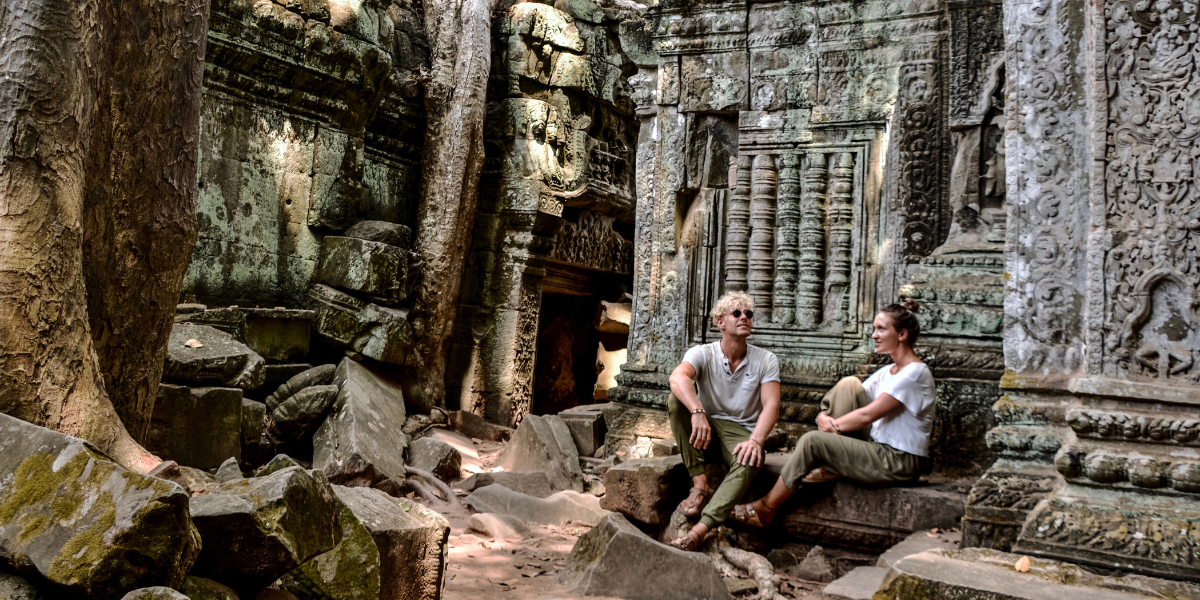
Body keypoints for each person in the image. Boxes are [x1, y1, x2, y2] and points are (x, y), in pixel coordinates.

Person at [730, 299, 935, 528]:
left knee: (812, 442)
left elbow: (866, 416)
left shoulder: (915, 373)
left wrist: (832, 427)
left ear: (902, 334)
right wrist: (822, 416)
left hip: (899, 461)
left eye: (881, 329)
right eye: (874, 329)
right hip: (879, 449)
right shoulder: (888, 371)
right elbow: (852, 400)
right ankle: (830, 463)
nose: (874, 335)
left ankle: (766, 508)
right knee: (849, 385)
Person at [666, 291, 781, 550]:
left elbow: (772, 405)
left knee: (750, 459)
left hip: (739, 431)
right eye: (737, 313)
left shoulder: (766, 359)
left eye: (749, 314)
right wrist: (697, 411)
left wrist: (756, 441)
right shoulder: (703, 353)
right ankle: (700, 484)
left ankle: (701, 528)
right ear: (720, 322)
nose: (745, 318)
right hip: (705, 427)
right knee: (675, 400)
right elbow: (677, 378)